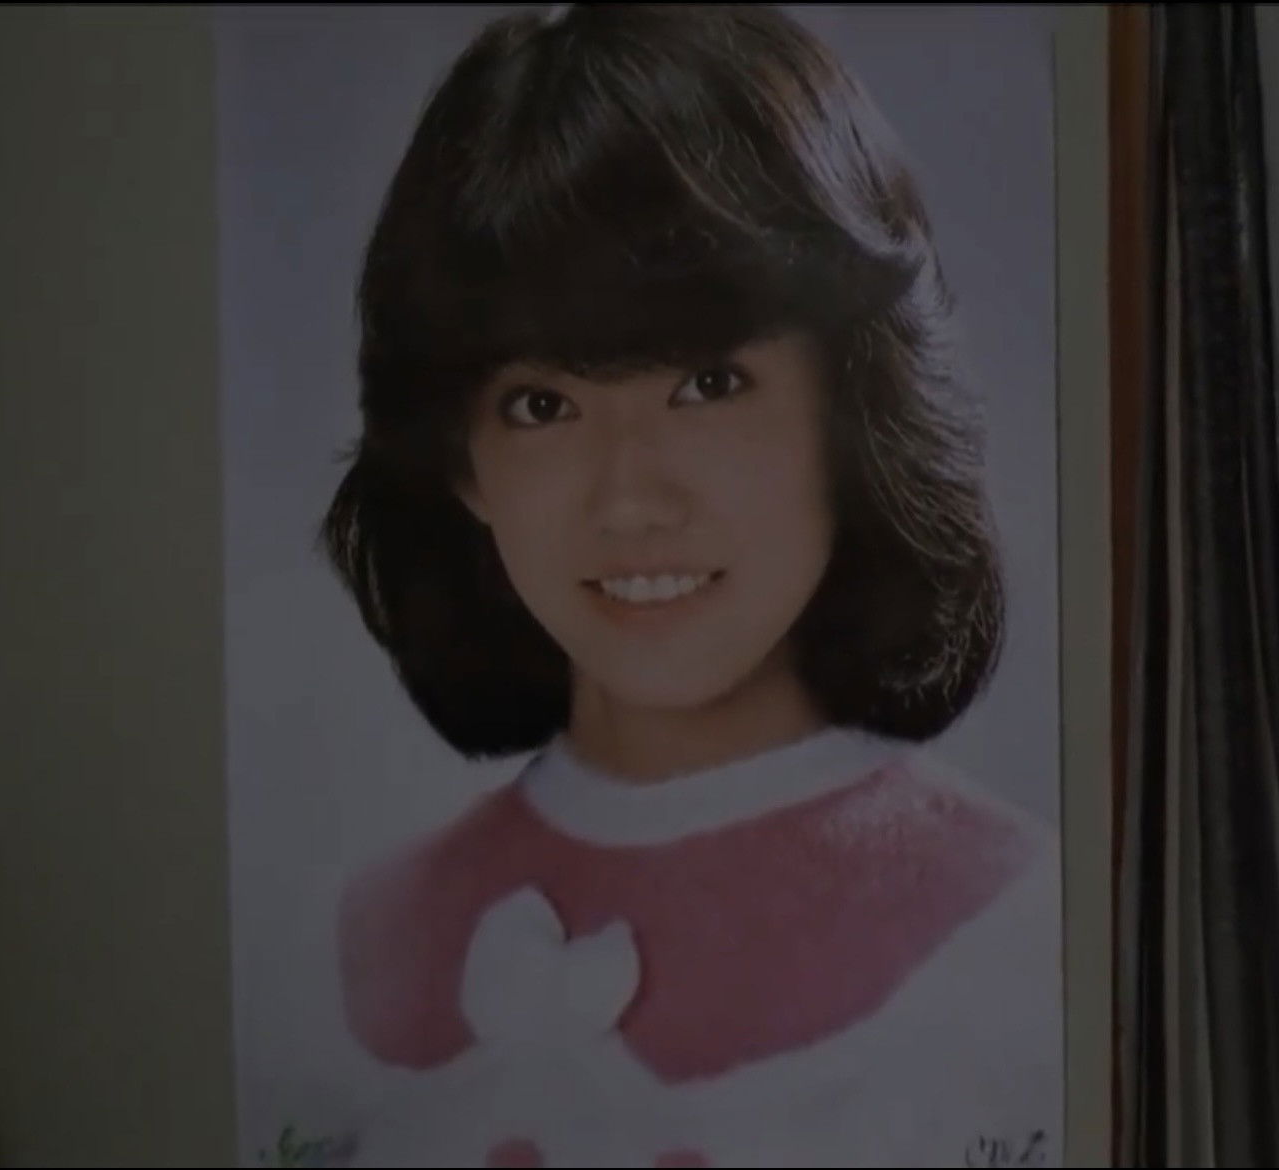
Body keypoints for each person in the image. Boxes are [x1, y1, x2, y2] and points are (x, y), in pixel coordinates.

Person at [317, 5, 1062, 1166]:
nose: (630, 500)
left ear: (849, 411)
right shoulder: (368, 930)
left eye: (708, 385)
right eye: (543, 405)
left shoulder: (1014, 924)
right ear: (461, 463)